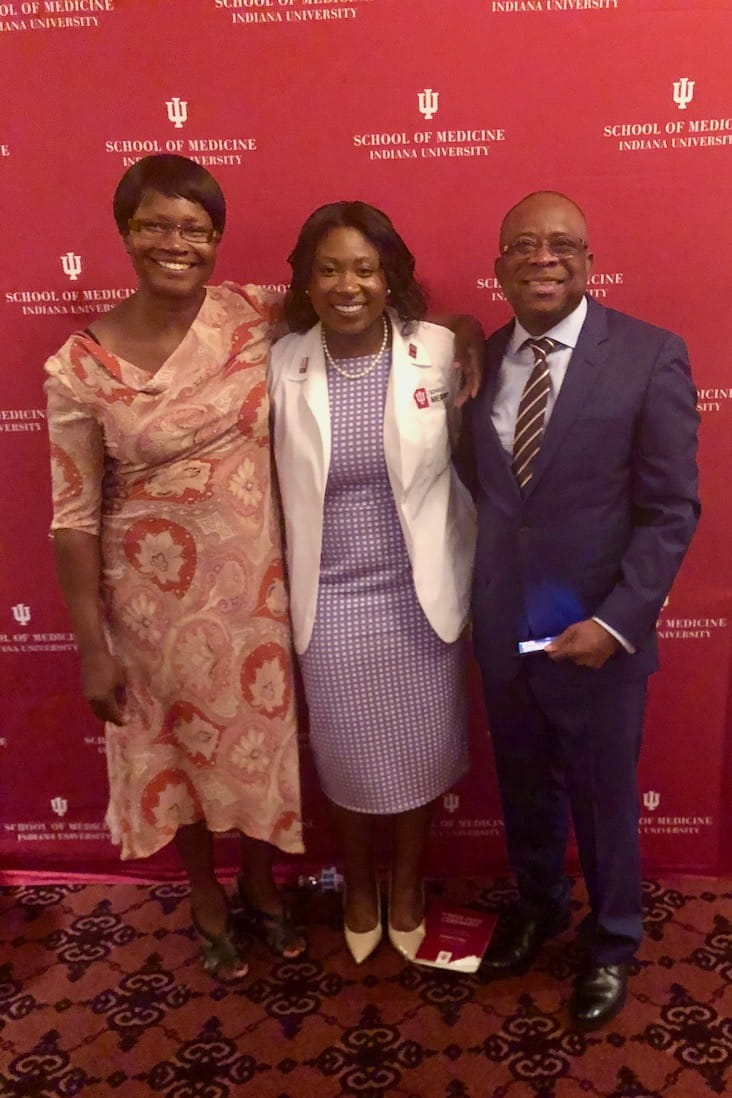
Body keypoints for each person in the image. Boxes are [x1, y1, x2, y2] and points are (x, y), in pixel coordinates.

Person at [44, 154, 307, 981]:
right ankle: (204, 894)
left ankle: (263, 883)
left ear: (217, 241)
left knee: (256, 748)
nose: (175, 242)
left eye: (194, 229)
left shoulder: (253, 315)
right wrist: (93, 643)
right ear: (125, 232)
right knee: (175, 753)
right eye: (156, 224)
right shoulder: (79, 365)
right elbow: (73, 516)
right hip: (148, 604)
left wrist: (470, 337)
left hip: (254, 592)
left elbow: (367, 303)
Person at [462, 190, 700, 1027]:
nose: (543, 258)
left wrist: (615, 622)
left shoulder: (648, 355)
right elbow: (482, 495)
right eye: (523, 245)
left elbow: (672, 509)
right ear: (498, 267)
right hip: (504, 630)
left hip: (601, 633)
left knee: (603, 799)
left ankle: (610, 943)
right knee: (524, 789)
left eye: (562, 244)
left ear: (590, 261)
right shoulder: (478, 362)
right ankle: (537, 909)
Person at [268, 201, 478, 963]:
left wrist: (470, 331)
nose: (347, 283)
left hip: (419, 597)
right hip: (329, 602)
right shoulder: (281, 359)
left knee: (422, 750)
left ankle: (411, 883)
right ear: (307, 280)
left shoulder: (439, 348)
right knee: (347, 757)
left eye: (364, 267)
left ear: (390, 276)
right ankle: (360, 883)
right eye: (329, 268)